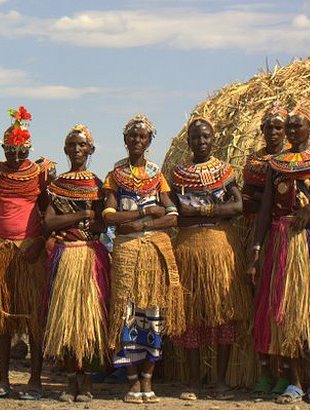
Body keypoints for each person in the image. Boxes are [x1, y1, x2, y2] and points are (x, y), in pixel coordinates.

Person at [249, 103, 310, 405]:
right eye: (289, 125)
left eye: (298, 125)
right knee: (286, 312)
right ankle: (294, 383)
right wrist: (256, 248)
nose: (291, 129)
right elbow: (263, 211)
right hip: (283, 240)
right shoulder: (277, 164)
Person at [102, 115, 184, 404]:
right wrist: (145, 213)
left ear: (149, 142)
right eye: (133, 136)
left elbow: (173, 216)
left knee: (152, 313)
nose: (137, 140)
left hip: (154, 252)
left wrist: (139, 225)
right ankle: (132, 379)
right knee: (127, 311)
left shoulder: (157, 174)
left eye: (143, 136)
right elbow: (110, 216)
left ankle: (148, 378)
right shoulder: (115, 176)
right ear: (125, 140)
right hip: (126, 253)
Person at [171, 115, 249, 401]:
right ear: (188, 141)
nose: (201, 142)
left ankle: (220, 381)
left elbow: (237, 205)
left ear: (214, 139)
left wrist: (203, 212)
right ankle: (193, 380)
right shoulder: (178, 175)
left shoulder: (225, 172)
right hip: (188, 249)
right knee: (191, 314)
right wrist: (210, 210)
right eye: (195, 137)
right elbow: (174, 212)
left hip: (219, 247)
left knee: (222, 313)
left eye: (205, 137)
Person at [0, 106, 48, 400]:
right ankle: (3, 380)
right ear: (3, 148)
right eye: (10, 150)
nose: (15, 156)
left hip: (30, 251)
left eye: (20, 151)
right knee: (1, 320)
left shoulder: (40, 175)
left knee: (34, 319)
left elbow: (48, 215)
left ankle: (34, 380)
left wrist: (39, 244)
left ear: (28, 148)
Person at [42, 124, 109, 403]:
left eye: (82, 145)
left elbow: (102, 222)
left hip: (89, 256)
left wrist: (83, 218)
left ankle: (87, 382)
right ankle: (71, 382)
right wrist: (80, 214)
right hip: (66, 255)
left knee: (90, 321)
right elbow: (48, 222)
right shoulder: (56, 186)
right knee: (66, 320)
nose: (77, 149)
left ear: (91, 150)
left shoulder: (98, 184)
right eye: (72, 145)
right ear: (65, 149)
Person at [242, 102, 291, 396]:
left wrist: (263, 198)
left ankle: (286, 373)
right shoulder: (255, 163)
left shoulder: (293, 161)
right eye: (268, 127)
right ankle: (263, 371)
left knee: (284, 305)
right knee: (262, 305)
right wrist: (265, 199)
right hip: (258, 235)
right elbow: (247, 200)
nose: (273, 132)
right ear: (261, 131)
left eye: (278, 127)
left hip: (287, 237)